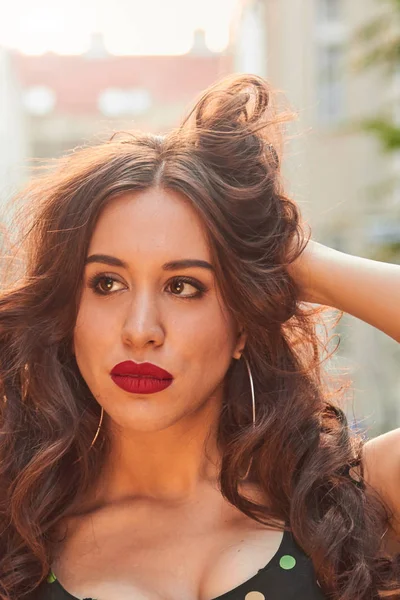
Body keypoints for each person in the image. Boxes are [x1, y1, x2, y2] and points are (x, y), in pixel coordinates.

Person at [0, 74, 398, 600]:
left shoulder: (357, 501)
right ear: (68, 312)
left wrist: (297, 261)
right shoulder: (18, 536)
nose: (141, 330)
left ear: (241, 323)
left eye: (183, 285)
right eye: (107, 283)